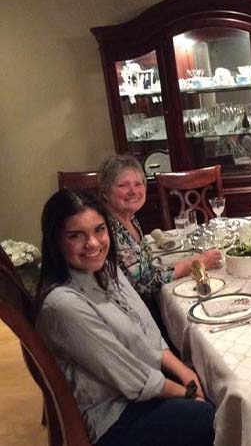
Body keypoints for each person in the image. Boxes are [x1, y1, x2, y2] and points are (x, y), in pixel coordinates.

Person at [35, 189, 215, 446]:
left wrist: (185, 373)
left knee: (208, 375)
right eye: (76, 235)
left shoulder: (107, 270)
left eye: (99, 230)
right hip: (112, 416)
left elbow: (149, 333)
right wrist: (188, 393)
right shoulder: (63, 305)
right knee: (209, 415)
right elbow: (132, 380)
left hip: (137, 389)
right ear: (55, 241)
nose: (93, 244)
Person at [98, 155, 221, 324]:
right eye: (122, 185)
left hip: (143, 307)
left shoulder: (129, 219)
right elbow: (145, 282)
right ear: (105, 192)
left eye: (138, 184)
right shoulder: (108, 229)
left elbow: (147, 266)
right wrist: (194, 263)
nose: (133, 191)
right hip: (131, 317)